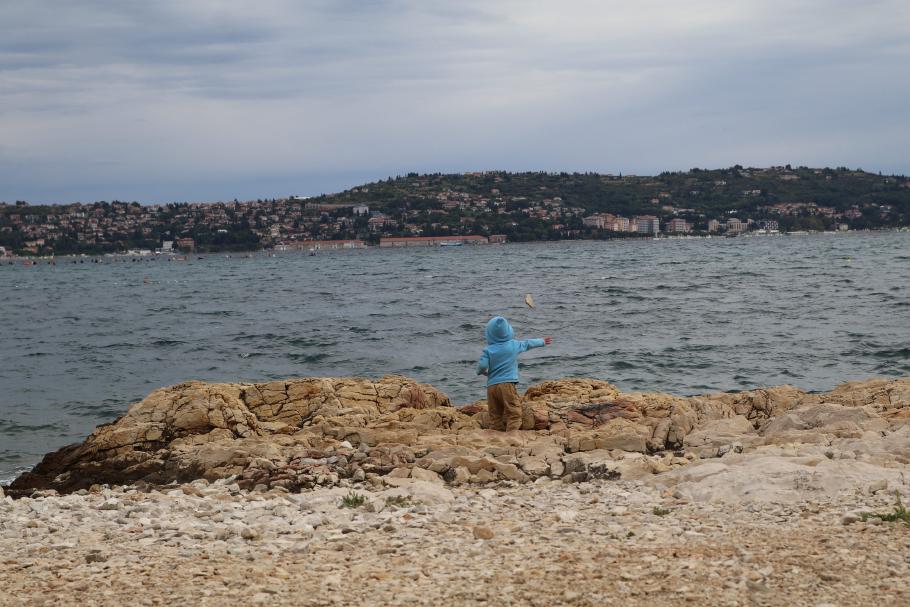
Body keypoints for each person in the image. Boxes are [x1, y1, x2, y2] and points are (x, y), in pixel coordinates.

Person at [476, 316, 552, 431]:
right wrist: (542, 341)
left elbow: (481, 366)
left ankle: (496, 434)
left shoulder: (488, 349)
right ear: (508, 331)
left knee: (495, 413)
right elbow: (528, 344)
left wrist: (483, 372)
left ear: (489, 334)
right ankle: (512, 435)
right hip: (507, 385)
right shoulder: (513, 345)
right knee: (514, 412)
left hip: (491, 386)